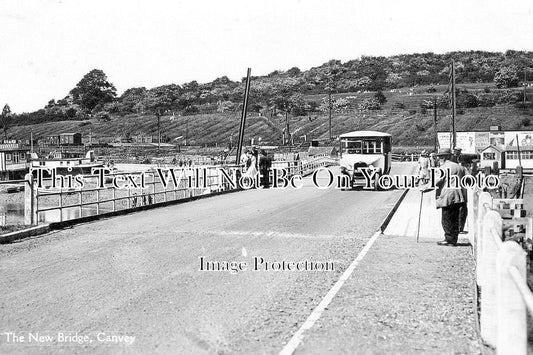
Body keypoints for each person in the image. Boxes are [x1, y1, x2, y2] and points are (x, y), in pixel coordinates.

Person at [433, 148, 467, 246]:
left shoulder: (444, 168)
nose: (439, 159)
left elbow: (437, 181)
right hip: (459, 195)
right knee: (455, 218)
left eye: (440, 157)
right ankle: (453, 240)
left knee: (446, 218)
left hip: (447, 195)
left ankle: (448, 239)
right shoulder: (460, 167)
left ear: (444, 157)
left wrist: (425, 188)